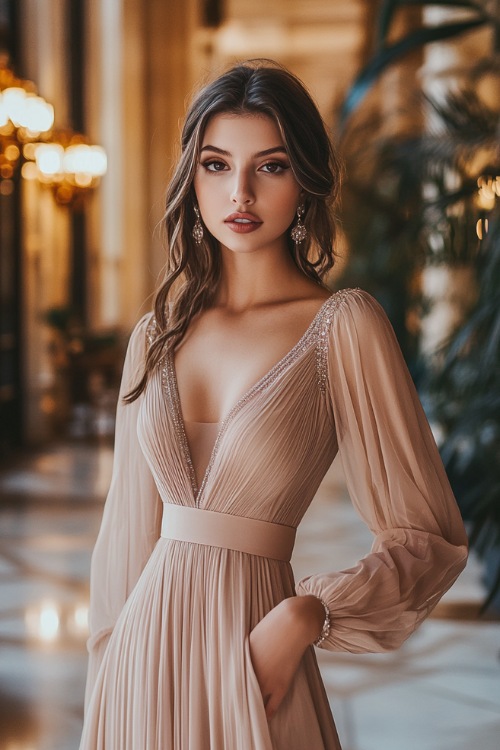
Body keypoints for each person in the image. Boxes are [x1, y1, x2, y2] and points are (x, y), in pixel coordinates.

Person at [79, 60, 468, 750]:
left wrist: (307, 615)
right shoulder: (156, 337)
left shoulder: (343, 327)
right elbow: (125, 544)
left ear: (307, 182)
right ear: (191, 180)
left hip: (260, 657)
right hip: (140, 666)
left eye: (272, 166)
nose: (241, 192)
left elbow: (428, 539)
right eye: (217, 165)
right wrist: (108, 686)